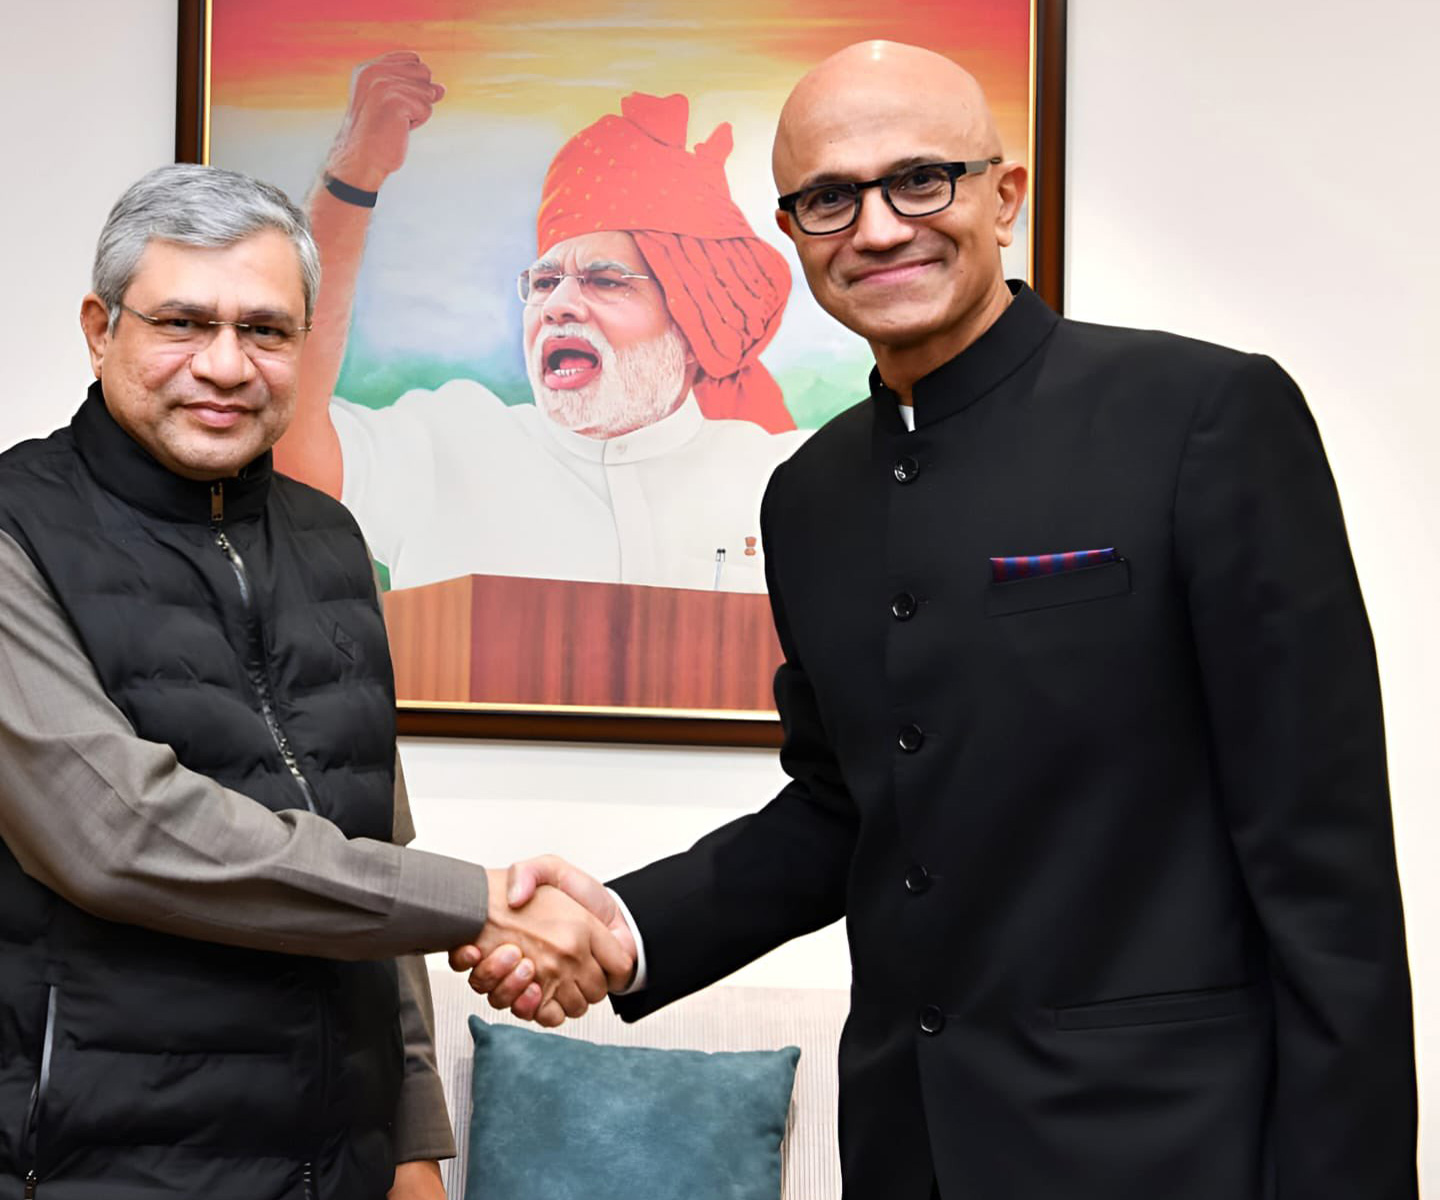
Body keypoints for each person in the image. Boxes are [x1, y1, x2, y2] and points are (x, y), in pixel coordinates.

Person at [457, 41, 1419, 1199]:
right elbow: (841, 807)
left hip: (1169, 1148)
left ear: (1002, 196)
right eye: (828, 198)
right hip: (909, 1151)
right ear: (792, 233)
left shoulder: (1202, 416)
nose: (875, 227)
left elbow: (1325, 862)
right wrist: (624, 925)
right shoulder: (806, 495)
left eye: (921, 179)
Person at [0, 163, 630, 1200]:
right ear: (101, 329)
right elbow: (117, 837)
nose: (226, 365)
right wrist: (478, 906)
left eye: (267, 331)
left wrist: (412, 1142)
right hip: (70, 1167)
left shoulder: (331, 542)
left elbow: (373, 854)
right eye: (183, 322)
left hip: (328, 1165)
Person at [274, 56, 809, 593]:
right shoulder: (449, 442)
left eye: (605, 280)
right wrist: (352, 176)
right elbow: (284, 448)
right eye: (545, 281)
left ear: (692, 329)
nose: (560, 305)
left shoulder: (785, 477)